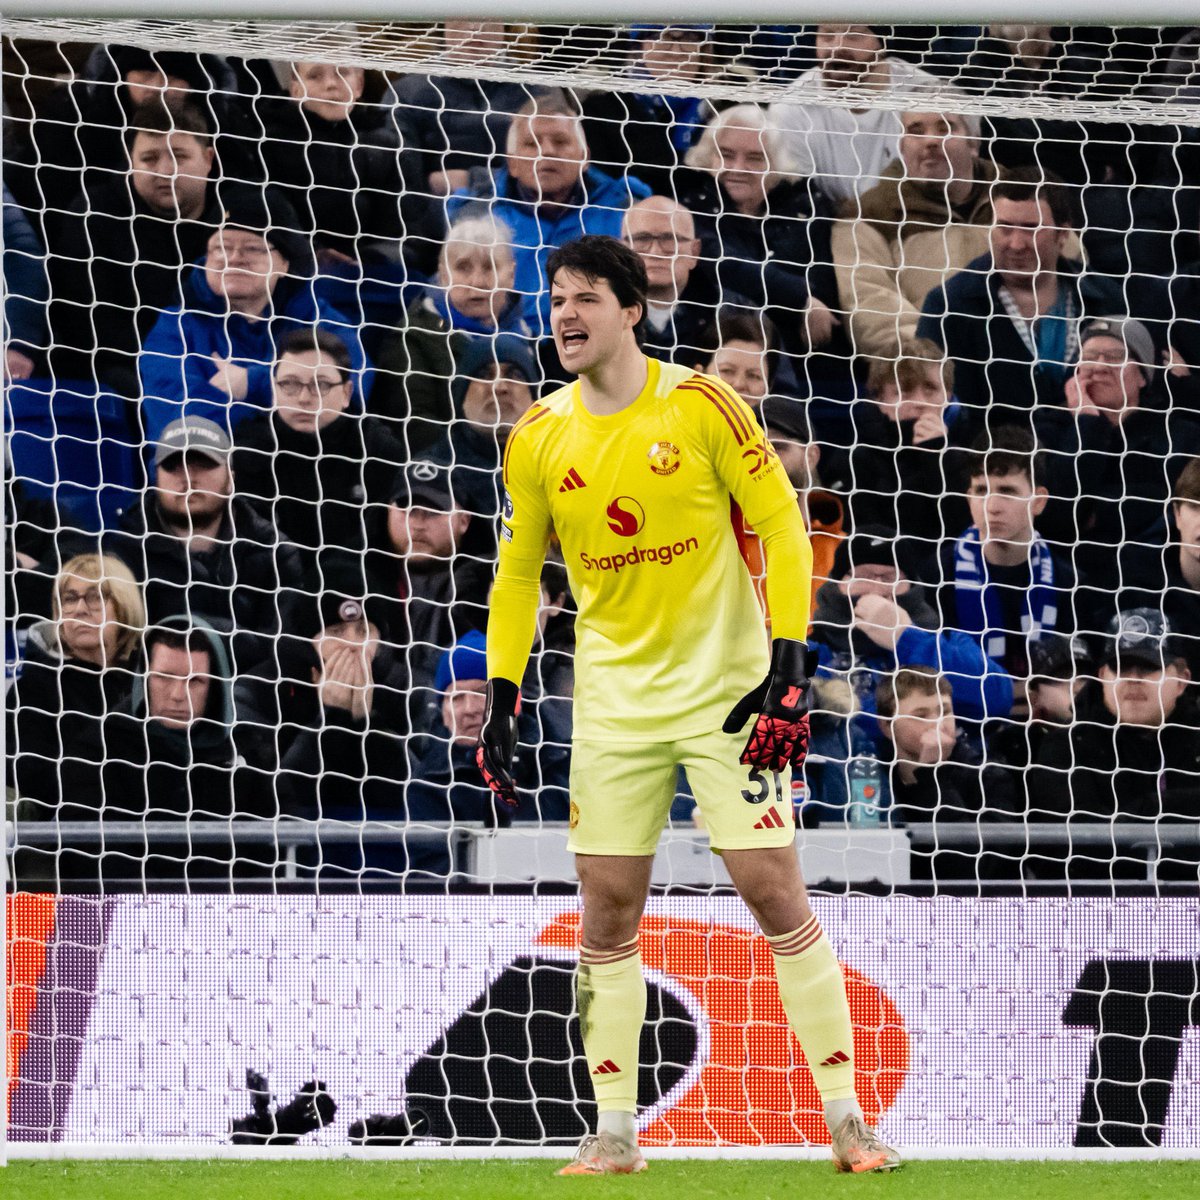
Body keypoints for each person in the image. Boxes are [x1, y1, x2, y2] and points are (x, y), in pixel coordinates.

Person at [475, 234, 899, 1174]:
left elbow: (785, 523)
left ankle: (847, 1120)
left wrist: (790, 655)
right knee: (607, 911)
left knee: (772, 890)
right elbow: (516, 575)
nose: (566, 314)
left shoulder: (704, 403)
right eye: (555, 300)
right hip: (615, 702)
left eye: (587, 297)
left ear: (633, 308)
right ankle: (615, 1133)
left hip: (727, 694)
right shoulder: (538, 434)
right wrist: (505, 690)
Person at [138, 183, 370, 442]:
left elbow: (354, 389)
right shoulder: (174, 328)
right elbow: (183, 419)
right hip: (207, 472)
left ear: (284, 263)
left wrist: (253, 382)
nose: (234, 258)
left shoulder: (320, 320)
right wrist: (291, 400)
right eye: (221, 247)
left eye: (252, 248)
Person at [916, 167, 1124, 438]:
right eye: (1004, 227)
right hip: (988, 467)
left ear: (1063, 235)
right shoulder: (948, 306)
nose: (1015, 244)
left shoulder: (1106, 298)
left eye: (1030, 229)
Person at [105, 415, 316, 676]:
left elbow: (283, 650)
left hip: (250, 696)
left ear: (231, 477)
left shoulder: (274, 551)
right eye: (174, 467)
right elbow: (124, 650)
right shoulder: (124, 553)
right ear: (156, 476)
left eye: (203, 465)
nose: (188, 480)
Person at [43, 101, 221, 396]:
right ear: (130, 161)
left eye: (179, 156)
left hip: (221, 361)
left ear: (208, 159)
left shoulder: (239, 213)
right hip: (126, 366)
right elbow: (86, 319)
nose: (166, 171)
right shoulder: (95, 213)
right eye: (149, 159)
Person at [445, 88, 652, 334]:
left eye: (560, 142)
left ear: (584, 157)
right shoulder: (476, 214)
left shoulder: (626, 209)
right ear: (511, 163)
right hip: (506, 347)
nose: (547, 151)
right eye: (532, 144)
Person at [1026, 609, 1200, 875]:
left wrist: (1141, 812)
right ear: (1103, 676)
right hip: (1092, 909)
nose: (1132, 678)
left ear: (1182, 680)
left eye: (1149, 667)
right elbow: (1082, 848)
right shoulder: (1067, 747)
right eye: (1120, 667)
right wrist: (1160, 807)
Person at [230, 328, 405, 583]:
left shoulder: (378, 449)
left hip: (361, 589)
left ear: (346, 393)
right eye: (289, 384)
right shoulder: (249, 450)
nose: (303, 398)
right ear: (273, 388)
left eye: (320, 385)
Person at [832, 109, 999, 364]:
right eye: (916, 131)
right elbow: (870, 307)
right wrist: (935, 360)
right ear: (901, 146)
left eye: (945, 129)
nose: (930, 141)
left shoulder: (1024, 199)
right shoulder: (868, 214)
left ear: (974, 142)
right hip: (922, 377)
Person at [676, 104, 839, 362]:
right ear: (709, 159)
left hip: (801, 354)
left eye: (754, 158)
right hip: (713, 351)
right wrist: (801, 299)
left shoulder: (806, 206)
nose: (738, 168)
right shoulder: (690, 208)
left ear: (775, 165)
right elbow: (724, 264)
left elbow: (823, 284)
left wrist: (809, 299)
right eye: (726, 155)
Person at [371, 213, 532, 454]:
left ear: (511, 274)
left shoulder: (532, 338)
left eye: (489, 267)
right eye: (463, 268)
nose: (477, 281)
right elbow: (415, 427)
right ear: (443, 275)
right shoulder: (410, 339)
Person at [926, 426, 1075, 679]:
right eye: (982, 491)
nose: (992, 507)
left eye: (1007, 491)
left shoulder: (1069, 582)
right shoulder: (936, 574)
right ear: (969, 498)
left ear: (1038, 501)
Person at [6, 554, 144, 816]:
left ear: (125, 606)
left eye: (95, 597)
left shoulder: (154, 678)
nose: (80, 609)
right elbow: (31, 778)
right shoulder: (34, 690)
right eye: (69, 598)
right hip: (71, 831)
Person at [874, 666, 1022, 879]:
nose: (938, 724)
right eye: (921, 715)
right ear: (886, 727)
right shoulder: (873, 774)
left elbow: (973, 867)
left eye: (945, 711)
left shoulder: (989, 775)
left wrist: (932, 776)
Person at [767, 25, 941, 203]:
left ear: (882, 43)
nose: (837, 48)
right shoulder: (791, 108)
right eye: (827, 36)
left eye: (853, 35)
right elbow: (799, 199)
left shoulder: (926, 93)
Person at [582, 24, 716, 193]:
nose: (675, 51)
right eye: (660, 36)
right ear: (639, 45)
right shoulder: (600, 112)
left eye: (689, 37)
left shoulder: (725, 111)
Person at [621, 195, 724, 370]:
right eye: (642, 239)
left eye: (670, 240)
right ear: (622, 249)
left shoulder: (732, 313)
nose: (655, 251)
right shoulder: (597, 312)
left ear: (694, 251)